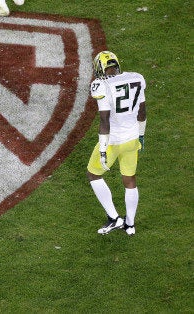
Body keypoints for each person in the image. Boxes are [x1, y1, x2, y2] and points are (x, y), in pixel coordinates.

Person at [86, 51, 147, 236]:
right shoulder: (136, 78)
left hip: (113, 141)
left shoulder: (101, 85)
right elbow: (142, 112)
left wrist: (103, 150)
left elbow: (104, 121)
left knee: (93, 174)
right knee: (129, 179)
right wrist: (141, 136)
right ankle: (130, 224)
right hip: (132, 138)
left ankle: (114, 218)